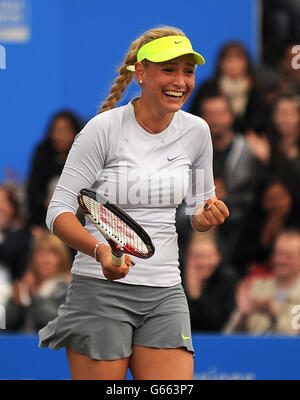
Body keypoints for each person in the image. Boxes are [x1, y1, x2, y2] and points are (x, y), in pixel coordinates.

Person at [38, 26, 229, 380]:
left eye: (188, 71)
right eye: (168, 70)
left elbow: (198, 212)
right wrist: (100, 252)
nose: (181, 81)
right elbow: (58, 211)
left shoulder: (198, 131)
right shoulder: (102, 129)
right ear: (140, 73)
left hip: (165, 291)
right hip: (99, 289)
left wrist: (207, 216)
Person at [225, 229, 300, 335]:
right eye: (278, 253)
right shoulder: (256, 287)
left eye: (288, 256)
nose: (281, 260)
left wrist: (273, 313)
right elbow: (228, 337)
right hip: (253, 351)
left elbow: (294, 342)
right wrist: (244, 315)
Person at [189, 41, 264, 133]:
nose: (232, 63)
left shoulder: (255, 89)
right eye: (228, 58)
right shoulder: (207, 88)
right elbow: (194, 115)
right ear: (220, 63)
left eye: (237, 58)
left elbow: (260, 122)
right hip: (210, 136)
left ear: (246, 62)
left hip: (246, 139)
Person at [26, 110, 82, 227]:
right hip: (42, 220)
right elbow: (33, 192)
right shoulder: (42, 156)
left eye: (64, 131)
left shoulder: (82, 157)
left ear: (75, 133)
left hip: (78, 221)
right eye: (55, 130)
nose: (58, 136)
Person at [5, 233, 71, 332]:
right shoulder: (25, 284)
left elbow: (58, 322)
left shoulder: (68, 287)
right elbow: (5, 324)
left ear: (62, 258)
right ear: (33, 258)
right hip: (22, 344)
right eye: (40, 253)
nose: (45, 260)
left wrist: (35, 294)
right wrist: (15, 303)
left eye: (52, 253)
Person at [184, 232, 236, 332]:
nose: (203, 262)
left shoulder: (228, 280)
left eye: (208, 256)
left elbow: (218, 324)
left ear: (218, 257)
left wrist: (196, 295)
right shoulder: (176, 280)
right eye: (196, 256)